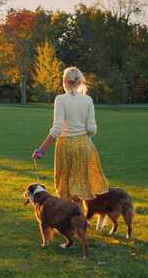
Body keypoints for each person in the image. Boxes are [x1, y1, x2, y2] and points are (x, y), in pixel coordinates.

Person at [32, 67, 109, 203]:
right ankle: (79, 221)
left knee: (66, 188)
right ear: (80, 82)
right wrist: (85, 137)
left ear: (65, 81)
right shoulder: (88, 100)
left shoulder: (60, 100)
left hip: (66, 146)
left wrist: (42, 150)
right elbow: (92, 128)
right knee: (80, 187)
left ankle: (71, 220)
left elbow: (57, 129)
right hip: (84, 146)